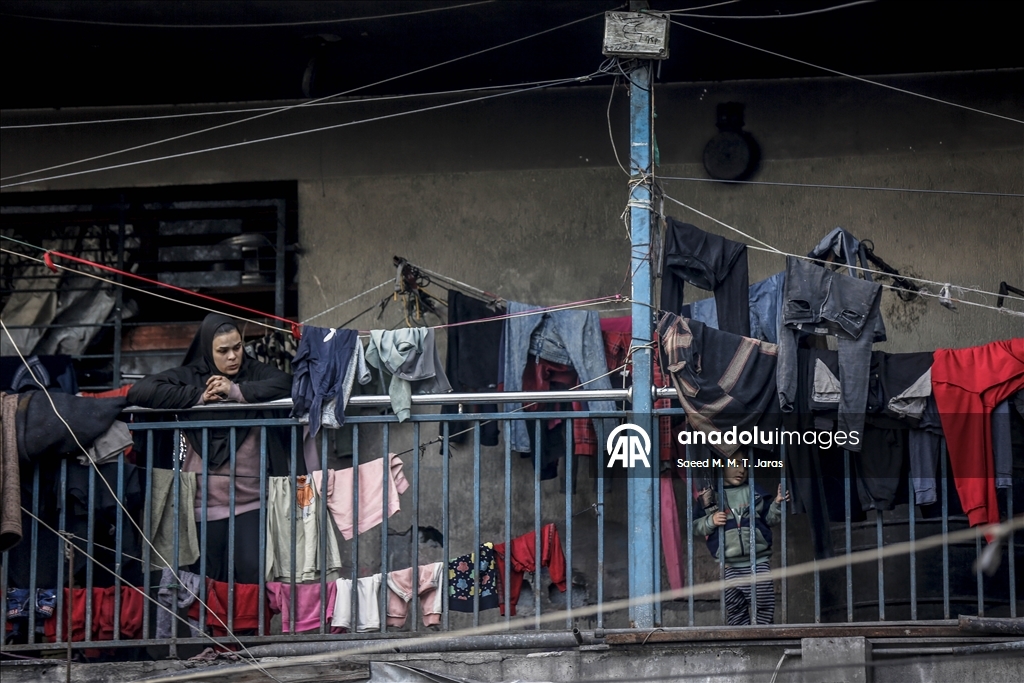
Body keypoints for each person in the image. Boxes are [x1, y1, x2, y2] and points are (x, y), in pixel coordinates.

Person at [128, 313, 293, 584]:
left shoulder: (254, 373)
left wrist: (236, 391)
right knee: (206, 581)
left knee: (253, 574)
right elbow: (140, 391)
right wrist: (199, 397)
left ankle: (250, 629)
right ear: (208, 349)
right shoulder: (193, 377)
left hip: (251, 502)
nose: (233, 357)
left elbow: (288, 383)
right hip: (200, 504)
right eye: (223, 351)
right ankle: (212, 630)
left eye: (237, 347)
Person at [692, 461, 789, 625]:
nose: (742, 469)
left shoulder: (755, 492)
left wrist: (777, 504)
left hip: (758, 562)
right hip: (729, 565)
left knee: (764, 603)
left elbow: (770, 519)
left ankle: (764, 636)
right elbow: (694, 527)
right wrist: (711, 521)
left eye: (745, 464)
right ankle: (739, 640)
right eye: (735, 464)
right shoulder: (710, 497)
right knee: (735, 606)